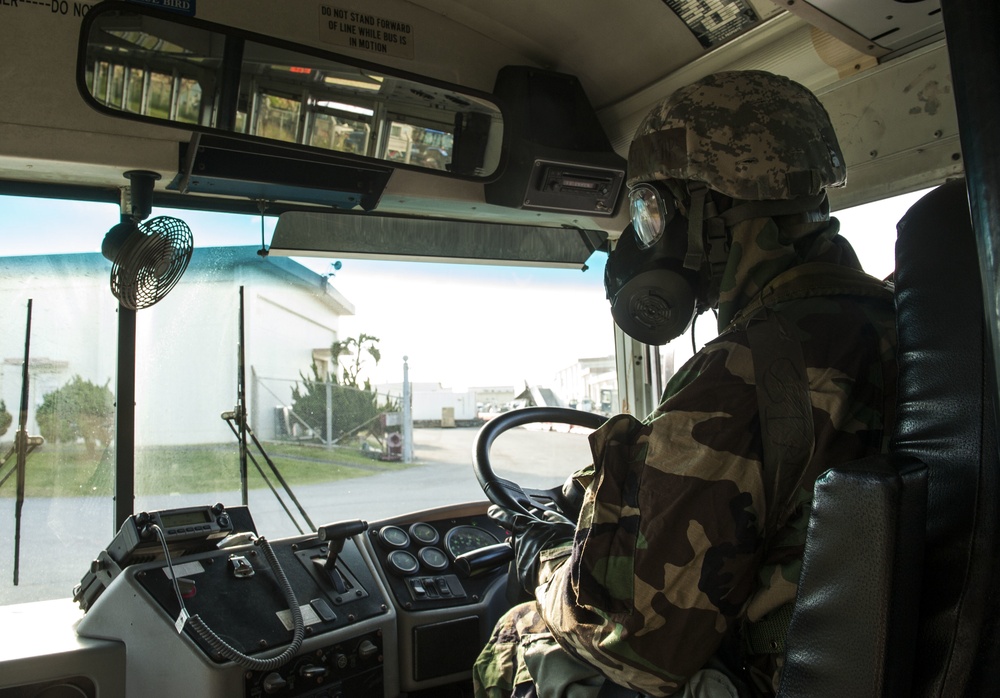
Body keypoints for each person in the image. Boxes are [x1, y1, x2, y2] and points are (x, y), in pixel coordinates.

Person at [472, 70, 897, 697]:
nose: (646, 238)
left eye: (650, 211)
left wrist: (550, 562)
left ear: (711, 213)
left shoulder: (751, 369)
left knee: (510, 635)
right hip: (871, 661)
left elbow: (644, 641)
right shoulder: (890, 319)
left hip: (765, 678)